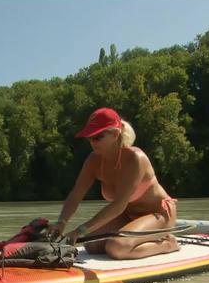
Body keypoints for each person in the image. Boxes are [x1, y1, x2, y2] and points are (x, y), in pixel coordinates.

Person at [47, 107, 179, 259]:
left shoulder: (135, 158)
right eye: (90, 137)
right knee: (91, 245)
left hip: (158, 215)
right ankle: (134, 239)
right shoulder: (93, 161)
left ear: (115, 134)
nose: (92, 141)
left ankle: (168, 244)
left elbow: (118, 206)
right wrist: (61, 222)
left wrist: (78, 231)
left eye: (98, 137)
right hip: (127, 216)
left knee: (116, 248)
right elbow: (76, 194)